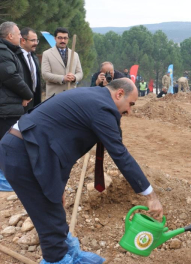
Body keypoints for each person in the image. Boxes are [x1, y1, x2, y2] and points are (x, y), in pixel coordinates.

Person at [0, 78, 163, 264]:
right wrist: (150, 196)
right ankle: (56, 260)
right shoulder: (102, 109)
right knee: (48, 218)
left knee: (54, 210)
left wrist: (58, 186)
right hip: (23, 154)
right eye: (130, 104)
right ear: (119, 94)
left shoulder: (94, 98)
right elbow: (120, 154)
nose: (129, 111)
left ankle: (70, 255)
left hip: (35, 149)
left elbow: (62, 146)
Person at [0, 21, 33, 192]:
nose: (21, 36)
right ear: (10, 35)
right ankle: (4, 180)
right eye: (19, 33)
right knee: (7, 143)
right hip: (6, 109)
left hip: (9, 106)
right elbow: (11, 77)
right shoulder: (3, 52)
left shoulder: (8, 51)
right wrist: (27, 94)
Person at [42, 27, 83, 98]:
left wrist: (74, 77)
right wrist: (63, 78)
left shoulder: (75, 54)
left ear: (68, 39)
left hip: (71, 95)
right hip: (54, 96)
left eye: (65, 38)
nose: (63, 40)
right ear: (55, 38)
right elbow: (45, 74)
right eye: (60, 38)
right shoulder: (47, 54)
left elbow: (80, 73)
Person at [17, 27, 42, 111]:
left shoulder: (34, 57)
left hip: (34, 102)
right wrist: (24, 95)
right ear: (23, 40)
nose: (36, 43)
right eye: (33, 40)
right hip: (21, 102)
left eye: (37, 40)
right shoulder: (15, 56)